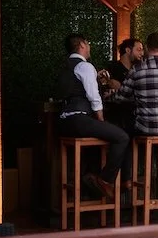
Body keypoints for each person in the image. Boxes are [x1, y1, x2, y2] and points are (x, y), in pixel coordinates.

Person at [55, 33, 130, 200]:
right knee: (122, 137)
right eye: (88, 44)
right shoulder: (85, 66)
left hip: (63, 121)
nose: (89, 47)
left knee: (97, 145)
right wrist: (101, 118)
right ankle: (104, 180)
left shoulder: (65, 65)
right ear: (82, 45)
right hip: (79, 119)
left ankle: (90, 180)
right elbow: (93, 96)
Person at [112, 32, 158, 136]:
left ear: (146, 48)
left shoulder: (136, 70)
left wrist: (110, 95)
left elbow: (121, 97)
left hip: (146, 128)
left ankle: (141, 152)